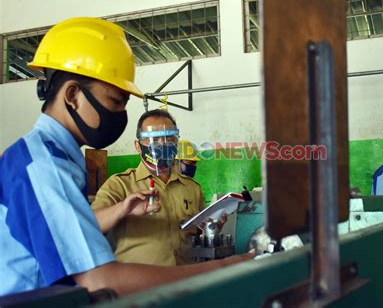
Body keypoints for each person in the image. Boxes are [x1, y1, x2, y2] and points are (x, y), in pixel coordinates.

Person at [0, 17, 251, 297]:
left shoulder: (55, 160)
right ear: (72, 95)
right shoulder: (43, 166)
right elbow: (97, 280)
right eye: (114, 101)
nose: (119, 115)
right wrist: (223, 269)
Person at [92, 110, 206, 266]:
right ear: (138, 146)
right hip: (140, 284)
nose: (162, 145)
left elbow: (198, 234)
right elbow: (91, 225)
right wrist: (123, 209)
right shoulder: (120, 184)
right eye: (153, 140)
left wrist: (211, 227)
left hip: (185, 280)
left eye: (169, 139)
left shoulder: (192, 188)